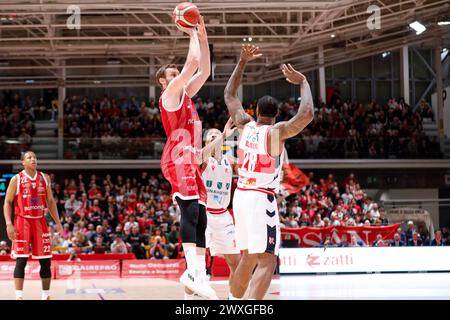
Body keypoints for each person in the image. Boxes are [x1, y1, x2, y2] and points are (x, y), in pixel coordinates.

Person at [224, 44, 313, 300]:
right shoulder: (275, 133)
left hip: (240, 195)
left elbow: (230, 95)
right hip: (261, 197)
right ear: (276, 115)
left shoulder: (245, 125)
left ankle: (233, 302)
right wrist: (303, 82)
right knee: (268, 260)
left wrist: (242, 61)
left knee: (249, 256)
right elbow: (306, 114)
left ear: (256, 111)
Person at [156, 15, 215, 299]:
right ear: (163, 82)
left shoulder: (187, 94)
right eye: (172, 74)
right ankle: (191, 270)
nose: (177, 74)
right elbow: (192, 64)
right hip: (177, 156)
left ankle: (198, 275)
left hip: (191, 158)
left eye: (176, 73)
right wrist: (190, 31)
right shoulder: (170, 96)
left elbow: (203, 69)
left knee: (201, 217)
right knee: (190, 211)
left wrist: (202, 36)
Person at [184, 121, 240, 300]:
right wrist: (223, 135)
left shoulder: (230, 161)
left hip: (224, 215)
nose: (215, 136)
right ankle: (188, 301)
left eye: (217, 134)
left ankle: (232, 299)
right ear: (206, 142)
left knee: (235, 263)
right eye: (211, 135)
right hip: (204, 213)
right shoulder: (202, 159)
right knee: (196, 267)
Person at [3, 151, 63, 300]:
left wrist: (58, 222)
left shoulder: (45, 178)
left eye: (35, 157)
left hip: (40, 221)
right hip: (22, 222)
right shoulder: (16, 179)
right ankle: (18, 296)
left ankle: (46, 295)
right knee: (21, 260)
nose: (33, 159)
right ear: (23, 162)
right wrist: (9, 224)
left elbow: (50, 202)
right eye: (29, 157)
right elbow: (7, 202)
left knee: (45, 261)